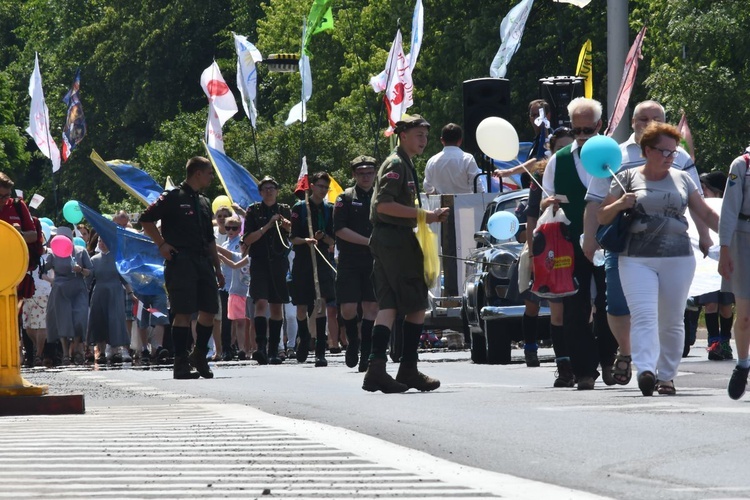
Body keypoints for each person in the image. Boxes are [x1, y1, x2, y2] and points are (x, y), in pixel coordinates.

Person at [584, 100, 712, 386]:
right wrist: (603, 223)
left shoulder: (681, 167)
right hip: (631, 252)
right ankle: (641, 366)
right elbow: (598, 207)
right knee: (633, 311)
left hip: (676, 255)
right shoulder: (619, 162)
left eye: (656, 118)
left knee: (670, 319)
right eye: (643, 118)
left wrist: (717, 236)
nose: (649, 123)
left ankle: (665, 375)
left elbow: (702, 209)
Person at [363, 114, 450, 393]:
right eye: (418, 135)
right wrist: (426, 215)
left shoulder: (405, 163)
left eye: (425, 135)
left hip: (390, 239)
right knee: (417, 303)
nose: (423, 140)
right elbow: (383, 206)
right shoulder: (397, 164)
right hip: (395, 240)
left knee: (388, 306)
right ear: (402, 135)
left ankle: (376, 369)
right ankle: (408, 368)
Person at [541, 97, 617, 390]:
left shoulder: (614, 156)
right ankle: (584, 370)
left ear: (599, 126)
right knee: (575, 307)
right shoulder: (558, 160)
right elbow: (548, 199)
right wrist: (550, 205)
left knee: (610, 304)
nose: (583, 136)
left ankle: (608, 360)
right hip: (570, 242)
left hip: (609, 241)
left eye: (588, 130)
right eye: (577, 131)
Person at [140, 156, 225, 380]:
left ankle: (199, 354)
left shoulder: (204, 202)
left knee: (209, 310)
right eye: (208, 173)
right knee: (184, 311)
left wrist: (217, 268)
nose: (210, 177)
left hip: (203, 260)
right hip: (181, 260)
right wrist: (161, 244)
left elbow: (210, 240)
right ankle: (180, 362)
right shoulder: (173, 197)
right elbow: (146, 219)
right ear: (197, 173)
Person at [519, 127, 574, 367]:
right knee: (535, 301)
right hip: (545, 243)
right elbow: (532, 216)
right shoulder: (541, 176)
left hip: (572, 243)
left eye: (569, 148)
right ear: (551, 151)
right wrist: (533, 253)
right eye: (560, 148)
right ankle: (531, 347)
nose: (565, 152)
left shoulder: (583, 169)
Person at [334, 155, 379, 371]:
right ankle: (353, 342)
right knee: (348, 309)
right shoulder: (345, 198)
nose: (366, 177)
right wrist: (367, 242)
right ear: (354, 175)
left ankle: (367, 353)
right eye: (361, 173)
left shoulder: (382, 197)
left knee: (371, 307)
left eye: (369, 173)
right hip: (350, 260)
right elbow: (340, 230)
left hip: (374, 261)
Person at [241, 176, 292, 365]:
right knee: (261, 302)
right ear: (260, 192)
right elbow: (247, 239)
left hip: (278, 262)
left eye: (272, 188)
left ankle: (274, 349)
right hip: (260, 262)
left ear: (277, 191)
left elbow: (294, 234)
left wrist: (288, 227)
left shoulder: (284, 209)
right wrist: (268, 225)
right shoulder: (254, 211)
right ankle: (260, 346)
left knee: (277, 305)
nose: (269, 191)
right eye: (265, 189)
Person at [290, 171, 336, 367]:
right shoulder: (300, 208)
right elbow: (292, 238)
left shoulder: (330, 209)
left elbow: (334, 239)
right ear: (312, 186)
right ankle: (303, 336)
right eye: (320, 186)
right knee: (301, 306)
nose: (323, 190)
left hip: (322, 259)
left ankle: (319, 350)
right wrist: (306, 240)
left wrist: (323, 237)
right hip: (303, 261)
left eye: (326, 187)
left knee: (320, 304)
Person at [719, 148, 750, 400]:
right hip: (743, 239)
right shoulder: (742, 164)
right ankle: (742, 364)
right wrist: (724, 249)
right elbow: (729, 209)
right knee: (745, 315)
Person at [695, 172, 734, 361]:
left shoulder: (729, 205)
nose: (702, 191)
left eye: (705, 187)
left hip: (726, 258)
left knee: (726, 305)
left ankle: (725, 342)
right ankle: (714, 342)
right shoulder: (699, 207)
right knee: (711, 304)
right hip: (707, 261)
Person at [44, 226, 93, 365]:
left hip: (77, 288)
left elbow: (90, 271)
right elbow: (43, 268)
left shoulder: (80, 252)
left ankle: (77, 349)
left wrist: (81, 270)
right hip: (60, 290)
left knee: (79, 319)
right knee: (63, 321)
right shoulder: (53, 255)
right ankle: (66, 353)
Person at [87, 238, 132, 364]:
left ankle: (116, 350)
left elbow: (124, 279)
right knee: (99, 320)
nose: (102, 243)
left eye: (104, 241)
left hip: (115, 293)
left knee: (115, 320)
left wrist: (131, 293)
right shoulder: (94, 259)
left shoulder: (117, 258)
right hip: (99, 293)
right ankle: (101, 352)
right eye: (100, 241)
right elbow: (89, 279)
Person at [423, 123, 485, 195]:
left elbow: (427, 185)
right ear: (460, 141)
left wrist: (434, 192)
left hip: (441, 204)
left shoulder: (432, 161)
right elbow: (477, 187)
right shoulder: (467, 159)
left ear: (442, 140)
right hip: (466, 204)